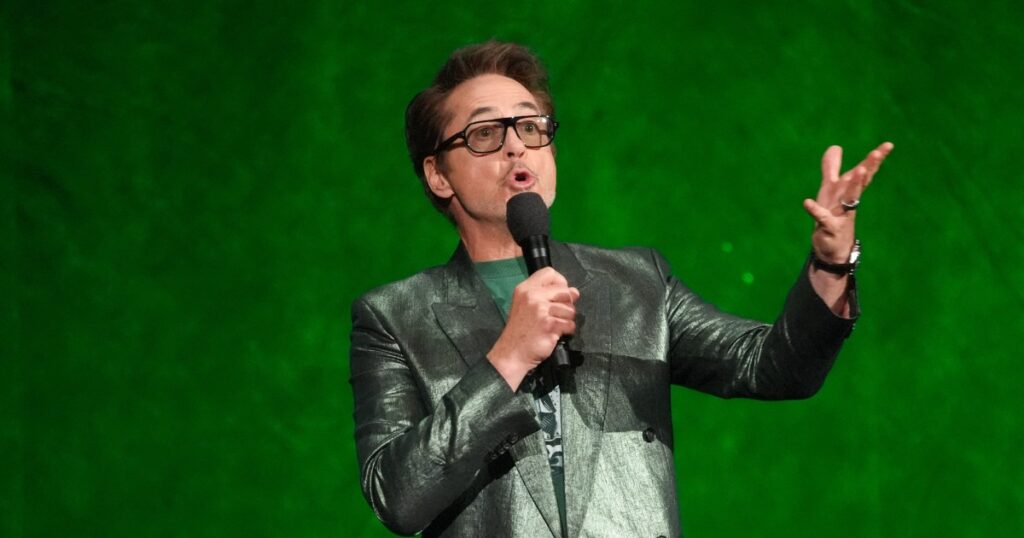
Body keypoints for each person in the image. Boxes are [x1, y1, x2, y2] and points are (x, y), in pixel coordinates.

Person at [349, 41, 893, 537]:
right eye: (486, 133)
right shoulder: (394, 316)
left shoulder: (637, 282)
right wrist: (506, 360)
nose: (516, 147)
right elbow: (397, 497)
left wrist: (831, 264)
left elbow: (774, 366)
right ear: (438, 174)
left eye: (532, 127)